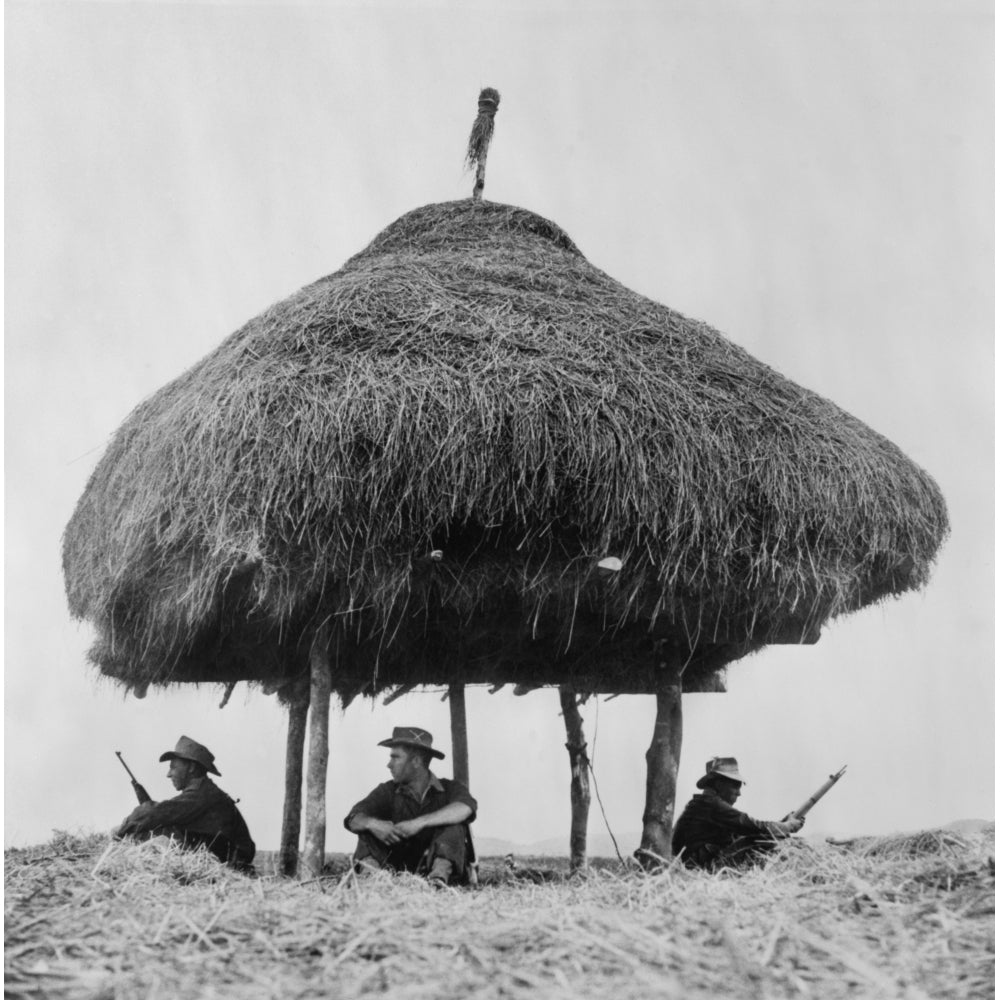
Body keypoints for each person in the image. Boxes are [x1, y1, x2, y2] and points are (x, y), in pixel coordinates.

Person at [344, 726, 477, 886]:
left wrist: (418, 823)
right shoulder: (387, 791)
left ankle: (437, 883)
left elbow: (465, 807)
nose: (389, 764)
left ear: (416, 761)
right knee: (367, 830)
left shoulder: (450, 788)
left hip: (436, 871)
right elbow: (353, 818)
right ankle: (372, 882)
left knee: (455, 826)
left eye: (396, 757)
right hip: (394, 872)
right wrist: (373, 824)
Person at [114, 735, 256, 872]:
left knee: (154, 835)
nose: (168, 774)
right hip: (220, 857)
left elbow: (154, 812)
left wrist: (120, 833)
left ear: (191, 768)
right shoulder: (204, 792)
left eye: (173, 767)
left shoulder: (202, 794)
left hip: (229, 863)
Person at [671, 756, 804, 870]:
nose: (739, 793)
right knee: (762, 840)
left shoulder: (706, 805)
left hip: (702, 865)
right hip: (701, 868)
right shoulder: (710, 804)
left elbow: (752, 829)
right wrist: (788, 826)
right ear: (718, 783)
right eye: (735, 786)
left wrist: (783, 823)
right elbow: (752, 826)